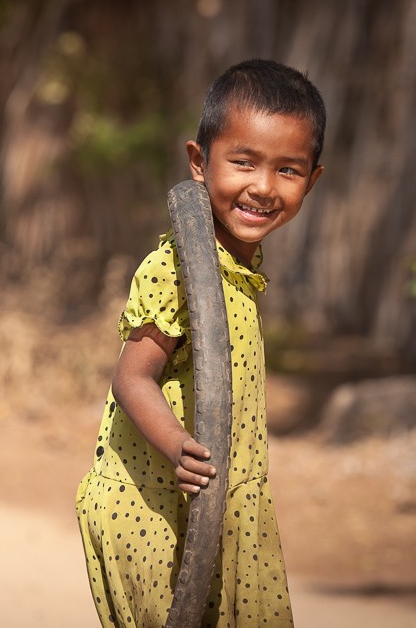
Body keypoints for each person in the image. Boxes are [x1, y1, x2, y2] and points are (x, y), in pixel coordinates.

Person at [76, 58, 326, 627]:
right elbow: (132, 376)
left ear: (311, 181)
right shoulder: (176, 269)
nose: (263, 187)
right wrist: (176, 446)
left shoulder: (240, 267)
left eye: (288, 170)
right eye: (243, 163)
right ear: (199, 162)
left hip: (216, 506)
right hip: (155, 508)